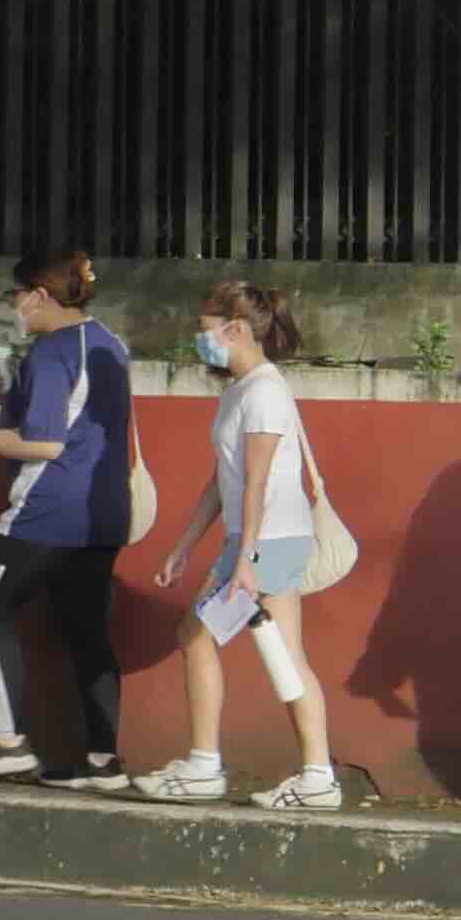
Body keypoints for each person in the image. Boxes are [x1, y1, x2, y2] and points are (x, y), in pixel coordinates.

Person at [0, 246, 142, 788]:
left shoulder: (51, 353)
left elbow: (45, 442)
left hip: (47, 510)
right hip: (102, 513)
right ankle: (102, 761)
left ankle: (7, 743)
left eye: (17, 294)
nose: (13, 304)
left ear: (40, 296)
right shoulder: (108, 344)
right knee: (86, 630)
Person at [135, 280, 341, 811]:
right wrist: (185, 544)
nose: (199, 341)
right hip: (260, 541)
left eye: (206, 330)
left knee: (199, 638)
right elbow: (222, 479)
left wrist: (245, 560)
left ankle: (207, 767)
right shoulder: (241, 390)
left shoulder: (266, 392)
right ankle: (316, 776)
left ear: (236, 330)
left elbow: (256, 482)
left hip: (267, 543)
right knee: (283, 656)